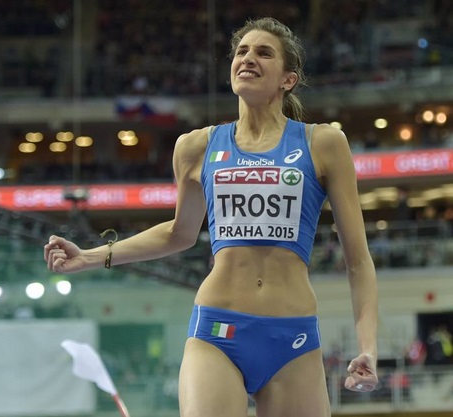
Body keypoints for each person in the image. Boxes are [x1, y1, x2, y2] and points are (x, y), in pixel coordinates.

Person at [44, 17, 379, 417]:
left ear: (288, 80)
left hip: (293, 337)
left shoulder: (323, 143)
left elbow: (358, 260)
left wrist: (368, 348)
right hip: (217, 332)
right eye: (241, 52)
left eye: (263, 53)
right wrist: (90, 255)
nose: (248, 59)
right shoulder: (195, 147)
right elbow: (179, 233)